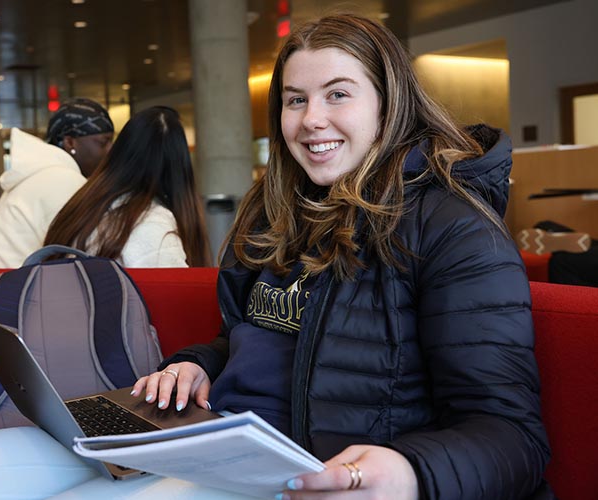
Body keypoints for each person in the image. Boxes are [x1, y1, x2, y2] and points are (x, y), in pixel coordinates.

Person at [133, 13, 553, 500]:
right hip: (220, 457)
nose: (311, 118)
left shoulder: (454, 227)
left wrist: (409, 473)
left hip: (319, 478)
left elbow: (512, 437)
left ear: (388, 104)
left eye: (337, 94)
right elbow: (261, 339)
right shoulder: (277, 212)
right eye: (296, 100)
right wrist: (199, 364)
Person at [44, 106, 210, 267]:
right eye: (103, 142)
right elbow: (174, 291)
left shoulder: (83, 205)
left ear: (121, 151)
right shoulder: (153, 224)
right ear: (180, 167)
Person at [0, 98, 114, 269]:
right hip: (13, 289)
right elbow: (84, 255)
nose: (110, 151)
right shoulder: (62, 180)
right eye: (103, 142)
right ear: (70, 142)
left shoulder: (45, 174)